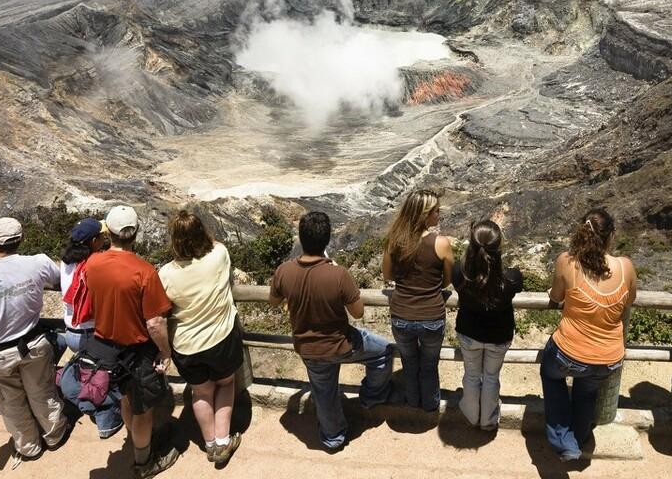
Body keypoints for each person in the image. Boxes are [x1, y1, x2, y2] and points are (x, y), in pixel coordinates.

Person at [269, 210, 394, 451]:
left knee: (324, 391)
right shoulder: (338, 274)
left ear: (301, 239)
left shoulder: (284, 271)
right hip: (342, 344)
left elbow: (274, 301)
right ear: (327, 240)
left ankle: (333, 437)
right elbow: (357, 313)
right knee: (384, 351)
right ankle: (372, 396)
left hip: (308, 348)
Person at [0, 217, 71, 466]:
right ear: (21, 239)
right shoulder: (38, 263)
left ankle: (29, 447)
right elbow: (60, 280)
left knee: (10, 403)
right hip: (33, 344)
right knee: (43, 392)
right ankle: (55, 435)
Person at [84, 205, 179, 479]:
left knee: (127, 400)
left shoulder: (93, 263)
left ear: (108, 234)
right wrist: (165, 351)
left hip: (106, 350)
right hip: (137, 352)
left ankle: (136, 441)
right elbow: (155, 323)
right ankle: (144, 461)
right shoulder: (145, 272)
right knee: (143, 410)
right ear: (135, 233)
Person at [541, 210, 637, 461]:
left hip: (569, 352)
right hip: (609, 359)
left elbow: (556, 297)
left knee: (551, 377)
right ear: (611, 236)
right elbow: (630, 300)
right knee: (586, 393)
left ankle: (563, 440)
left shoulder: (567, 262)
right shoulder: (625, 267)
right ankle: (577, 438)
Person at [159, 210, 243, 465]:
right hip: (221, 339)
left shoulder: (165, 274)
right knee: (226, 384)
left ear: (174, 241)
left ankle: (209, 444)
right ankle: (222, 440)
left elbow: (162, 310)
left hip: (187, 346)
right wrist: (205, 239)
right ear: (202, 234)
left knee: (201, 394)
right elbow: (216, 245)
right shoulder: (218, 256)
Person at [383, 189, 454, 412]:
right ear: (424, 214)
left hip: (401, 315)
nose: (438, 214)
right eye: (435, 211)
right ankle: (430, 406)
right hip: (431, 315)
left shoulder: (394, 241)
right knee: (429, 365)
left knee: (409, 363)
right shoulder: (441, 243)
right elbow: (446, 281)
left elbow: (388, 276)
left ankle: (413, 401)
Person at [451, 219, 523, 430]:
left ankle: (472, 416)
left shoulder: (459, 273)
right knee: (491, 377)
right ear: (499, 247)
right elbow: (515, 280)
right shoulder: (511, 279)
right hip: (498, 336)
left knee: (472, 375)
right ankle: (488, 421)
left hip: (469, 333)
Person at [59, 217, 107, 355]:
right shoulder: (95, 264)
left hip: (71, 332)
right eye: (101, 236)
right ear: (94, 241)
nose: (104, 238)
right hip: (91, 334)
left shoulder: (65, 261)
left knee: (83, 371)